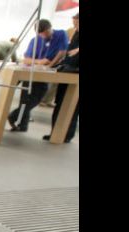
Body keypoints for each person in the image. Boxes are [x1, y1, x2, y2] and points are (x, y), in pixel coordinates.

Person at [7, 19, 68, 133]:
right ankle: (21, 125)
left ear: (50, 28)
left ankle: (14, 115)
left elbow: (62, 52)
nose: (43, 36)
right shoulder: (35, 40)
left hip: (45, 74)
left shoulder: (60, 34)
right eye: (40, 33)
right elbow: (27, 59)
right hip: (31, 72)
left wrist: (50, 64)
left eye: (45, 33)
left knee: (38, 96)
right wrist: (40, 62)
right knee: (25, 98)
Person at [43, 12, 78, 143]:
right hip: (68, 70)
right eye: (74, 21)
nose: (75, 24)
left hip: (75, 74)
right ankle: (55, 132)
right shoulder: (73, 33)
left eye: (77, 22)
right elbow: (67, 51)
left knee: (72, 106)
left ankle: (67, 135)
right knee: (60, 103)